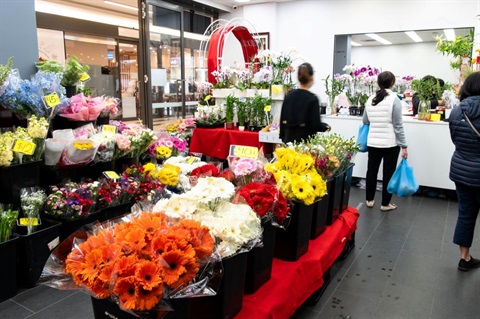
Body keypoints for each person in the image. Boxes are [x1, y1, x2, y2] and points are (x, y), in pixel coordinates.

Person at [362, 71, 408, 211]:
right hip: (390, 144)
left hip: (373, 142)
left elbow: (365, 120)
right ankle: (385, 204)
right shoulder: (395, 99)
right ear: (392, 83)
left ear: (378, 83)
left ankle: (369, 200)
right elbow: (398, 125)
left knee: (371, 171)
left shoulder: (370, 99)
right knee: (388, 173)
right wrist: (404, 146)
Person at [448, 72, 480, 271]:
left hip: (461, 170)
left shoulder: (457, 112)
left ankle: (464, 258)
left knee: (466, 214)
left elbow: (455, 139)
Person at [279, 62, 330, 143]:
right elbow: (315, 125)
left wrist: (283, 137)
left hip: (289, 142)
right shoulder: (312, 99)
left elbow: (282, 120)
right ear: (312, 77)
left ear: (298, 77)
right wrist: (325, 127)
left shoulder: (289, 95)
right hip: (305, 144)